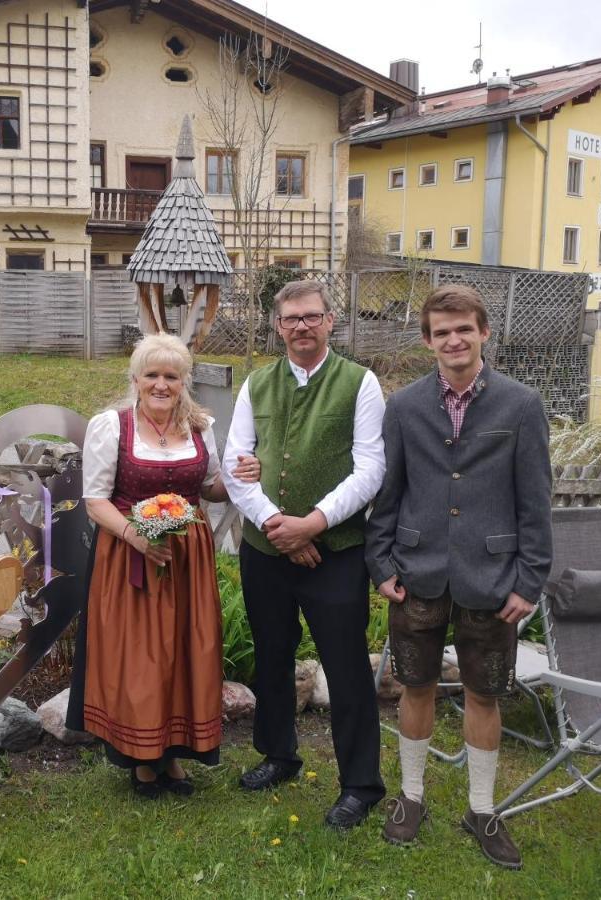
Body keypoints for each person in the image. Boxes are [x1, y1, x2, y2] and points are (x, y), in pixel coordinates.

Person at [366, 284, 552, 869]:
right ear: (427, 340)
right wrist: (382, 565)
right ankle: (412, 797)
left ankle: (481, 807)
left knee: (483, 693)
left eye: (463, 329)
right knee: (415, 687)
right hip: (416, 573)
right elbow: (388, 493)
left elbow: (535, 500)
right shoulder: (403, 407)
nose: (453, 339)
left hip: (492, 578)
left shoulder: (521, 405)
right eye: (442, 331)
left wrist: (530, 579)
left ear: (483, 332)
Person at [222, 279, 387, 829]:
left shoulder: (360, 384)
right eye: (291, 318)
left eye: (311, 316)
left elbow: (371, 469)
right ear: (277, 325)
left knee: (345, 667)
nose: (301, 326)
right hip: (264, 549)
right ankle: (278, 754)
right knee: (272, 655)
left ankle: (360, 784)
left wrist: (312, 524)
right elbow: (236, 463)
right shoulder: (256, 384)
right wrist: (275, 525)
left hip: (336, 551)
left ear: (330, 321)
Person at [66, 333, 259, 797]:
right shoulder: (112, 426)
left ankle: (174, 753)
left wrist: (239, 479)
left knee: (185, 651)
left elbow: (209, 489)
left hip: (187, 556)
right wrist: (139, 538)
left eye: (171, 376)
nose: (160, 384)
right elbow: (95, 500)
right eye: (151, 374)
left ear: (183, 381)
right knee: (140, 658)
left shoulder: (199, 425)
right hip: (129, 555)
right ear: (135, 379)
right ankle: (141, 760)